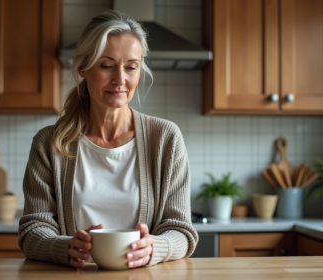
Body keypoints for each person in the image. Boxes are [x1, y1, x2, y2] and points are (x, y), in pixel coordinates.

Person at [18, 10, 198, 269]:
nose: (120, 80)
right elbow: (32, 230)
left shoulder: (166, 139)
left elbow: (181, 231)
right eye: (107, 65)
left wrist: (155, 247)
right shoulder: (49, 143)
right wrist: (64, 246)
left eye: (131, 67)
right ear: (83, 68)